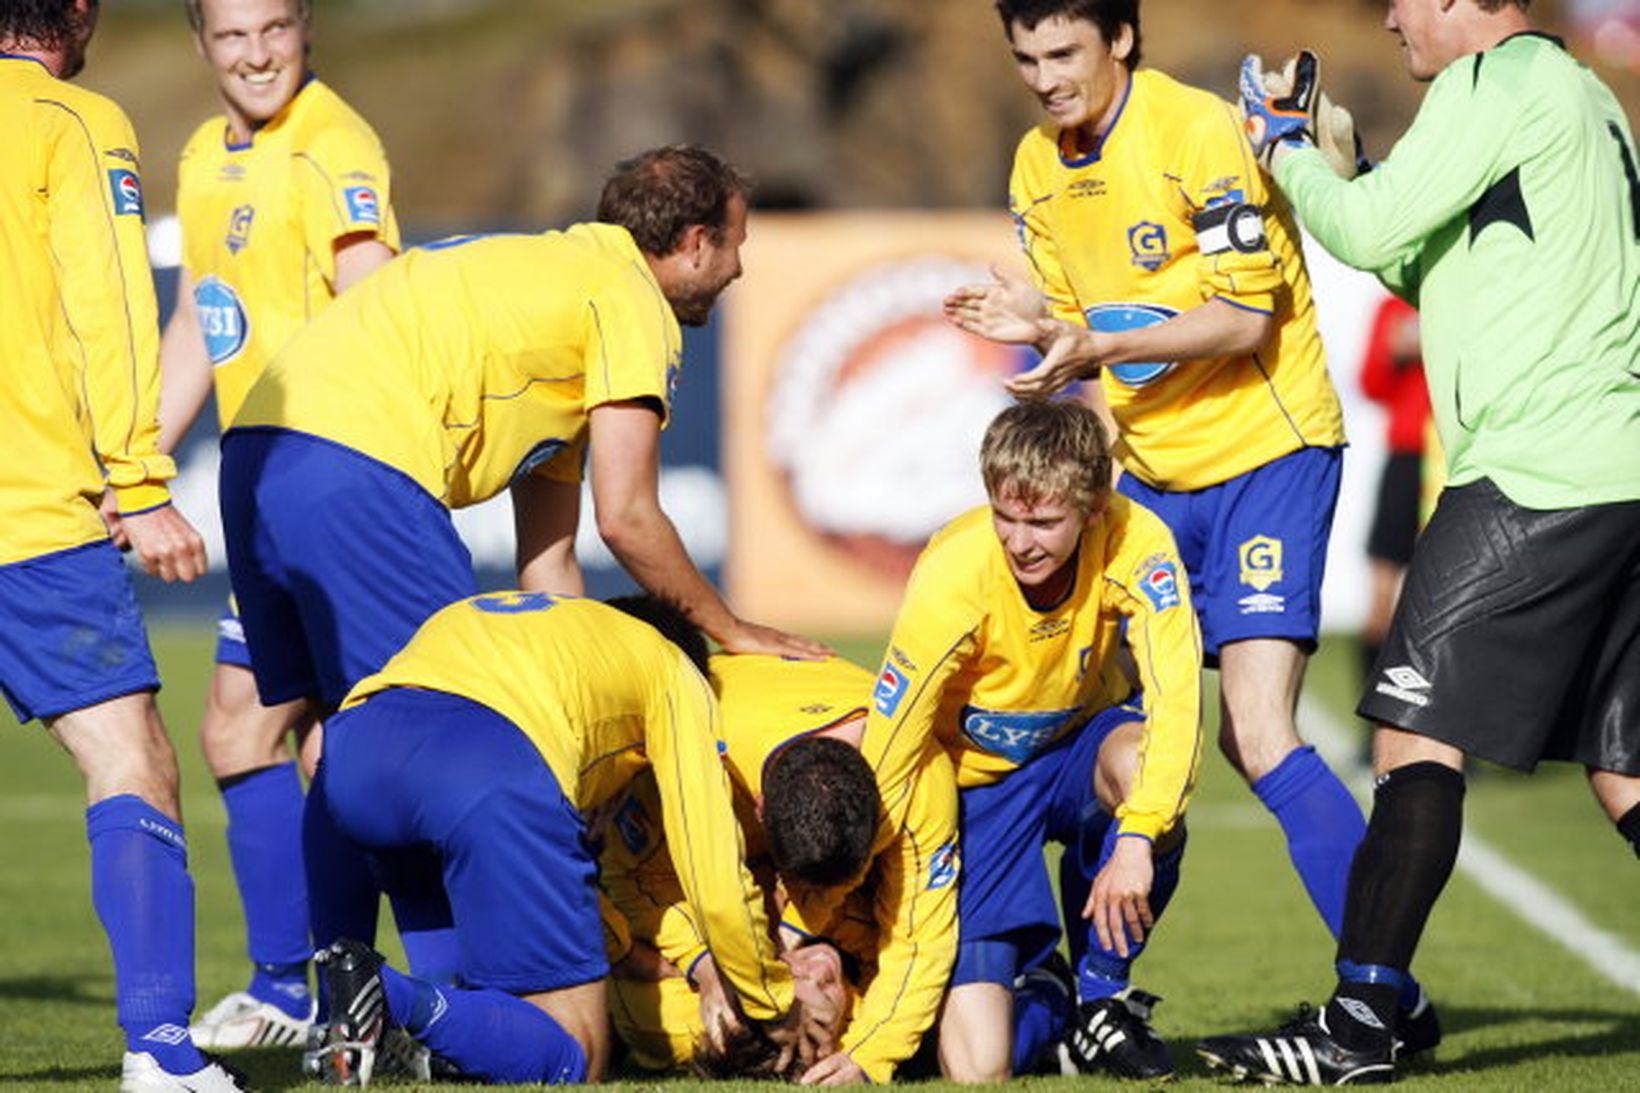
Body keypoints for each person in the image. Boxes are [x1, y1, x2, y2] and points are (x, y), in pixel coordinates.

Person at [943, 3, 1414, 1044]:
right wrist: (1046, 341)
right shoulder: (1033, 166)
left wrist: (1081, 347)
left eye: (1061, 53)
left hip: (1265, 454)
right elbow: (1087, 342)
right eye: (1024, 59)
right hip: (1149, 477)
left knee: (1254, 731)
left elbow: (1243, 319)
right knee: (1113, 734)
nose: (1042, 79)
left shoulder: (1194, 130)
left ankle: (1381, 991)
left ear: (1118, 39)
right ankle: (1092, 1002)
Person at [1200, 0, 1640, 1083]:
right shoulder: (1584, 96)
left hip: (1533, 476)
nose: (1391, 18)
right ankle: (1365, 1017)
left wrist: (1286, 150)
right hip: (1614, 469)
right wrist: (1353, 180)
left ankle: (1357, 1029)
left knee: (1407, 739)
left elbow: (1358, 237)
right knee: (1625, 771)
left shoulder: (1492, 85)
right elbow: (1423, 268)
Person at [305, 593, 834, 1086]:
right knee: (578, 1051)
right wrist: (769, 1000)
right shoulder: (671, 667)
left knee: (459, 1009)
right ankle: (386, 995)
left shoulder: (506, 618)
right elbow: (713, 867)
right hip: (484, 770)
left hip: (352, 755)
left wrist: (332, 962)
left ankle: (353, 1006)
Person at [0, 2, 239, 1089]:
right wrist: (139, 482)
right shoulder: (70, 118)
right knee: (128, 756)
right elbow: (111, 302)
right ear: (79, 12)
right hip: (29, 515)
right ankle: (158, 1051)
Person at [161, 0, 401, 1050]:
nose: (255, 54)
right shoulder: (202, 157)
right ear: (201, 44)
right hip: (260, 490)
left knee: (266, 732)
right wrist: (134, 467)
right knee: (296, 740)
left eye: (274, 29)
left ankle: (303, 993)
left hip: (330, 483)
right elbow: (196, 323)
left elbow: (376, 307)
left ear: (306, 28)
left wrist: (348, 469)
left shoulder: (334, 144)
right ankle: (327, 1000)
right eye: (230, 35)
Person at [858, 399, 1202, 1080]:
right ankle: (1050, 993)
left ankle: (1102, 998)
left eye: (1043, 521)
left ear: (1097, 507)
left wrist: (1137, 837)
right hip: (975, 790)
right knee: (976, 1066)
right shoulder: (955, 573)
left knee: (1143, 774)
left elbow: (1178, 698)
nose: (1019, 541)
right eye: (1005, 516)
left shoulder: (1139, 540)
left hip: (1081, 747)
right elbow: (891, 741)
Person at [602, 652, 957, 1084]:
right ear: (760, 808)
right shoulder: (694, 751)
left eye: (789, 987)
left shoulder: (915, 781)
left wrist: (874, 1055)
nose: (823, 972)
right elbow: (628, 875)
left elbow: (921, 936)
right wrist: (708, 963)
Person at [1355, 296, 1428, 723]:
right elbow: (1370, 383)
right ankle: (1375, 724)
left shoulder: (1470, 290)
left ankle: (1453, 734)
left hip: (1458, 456)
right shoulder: (1393, 308)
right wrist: (1396, 351)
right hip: (1406, 457)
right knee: (1381, 595)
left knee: (1453, 599)